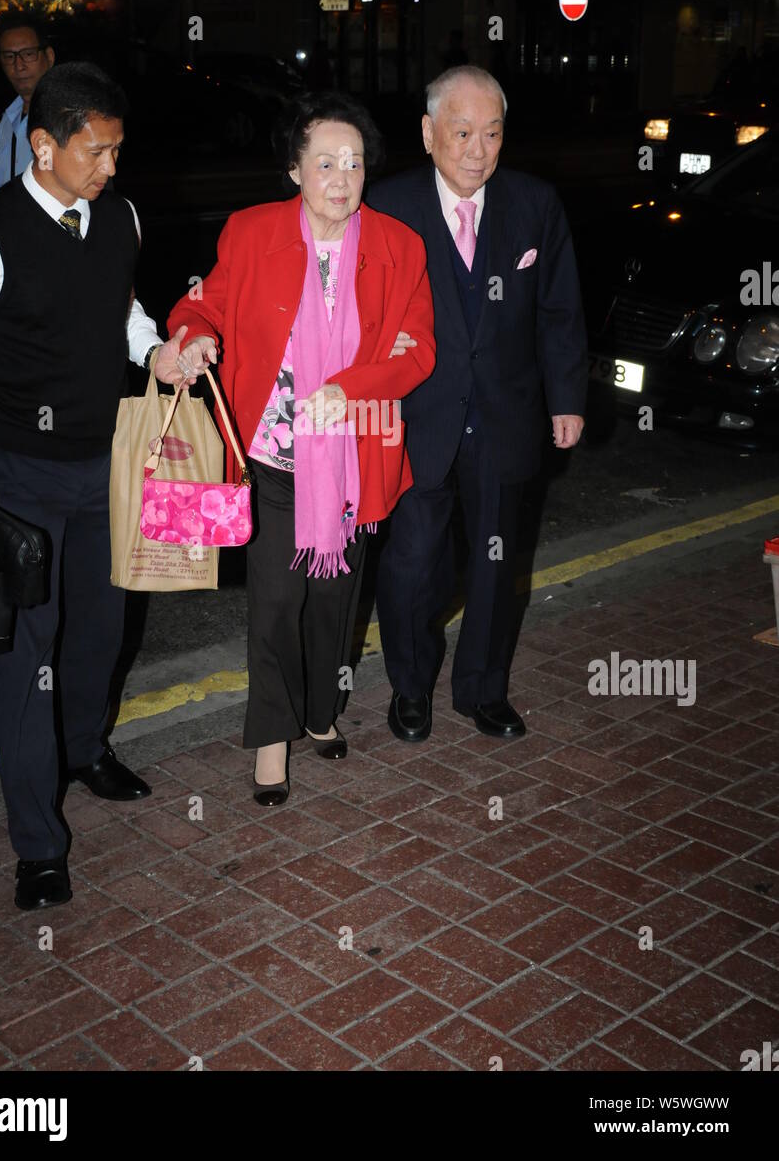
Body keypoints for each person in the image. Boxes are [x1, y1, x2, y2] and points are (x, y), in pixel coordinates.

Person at [0, 62, 192, 911]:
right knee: (23, 661)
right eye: (95, 153)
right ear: (44, 146)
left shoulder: (122, 218)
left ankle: (84, 749)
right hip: (18, 479)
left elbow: (123, 314)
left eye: (116, 151)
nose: (111, 168)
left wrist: (157, 353)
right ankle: (37, 843)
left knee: (101, 632)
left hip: (104, 460)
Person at [167, 91, 436, 806]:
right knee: (277, 601)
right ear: (293, 170)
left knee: (333, 602)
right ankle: (271, 738)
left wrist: (352, 387)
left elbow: (417, 349)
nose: (342, 178)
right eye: (324, 163)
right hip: (270, 457)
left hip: (351, 460)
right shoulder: (252, 232)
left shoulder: (397, 246)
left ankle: (320, 711)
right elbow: (204, 306)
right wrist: (194, 337)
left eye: (353, 163)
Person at [366, 65, 587, 743]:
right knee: (410, 564)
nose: (476, 149)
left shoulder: (533, 204)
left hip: (504, 414)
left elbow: (558, 309)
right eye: (460, 132)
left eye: (490, 133)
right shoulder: (387, 205)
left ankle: (481, 689)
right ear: (429, 133)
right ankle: (409, 688)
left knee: (496, 561)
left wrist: (566, 397)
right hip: (413, 417)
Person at [0, 13, 55, 191]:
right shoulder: (8, 119)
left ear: (49, 57)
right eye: (9, 57)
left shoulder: (66, 118)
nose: (19, 66)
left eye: (28, 54)